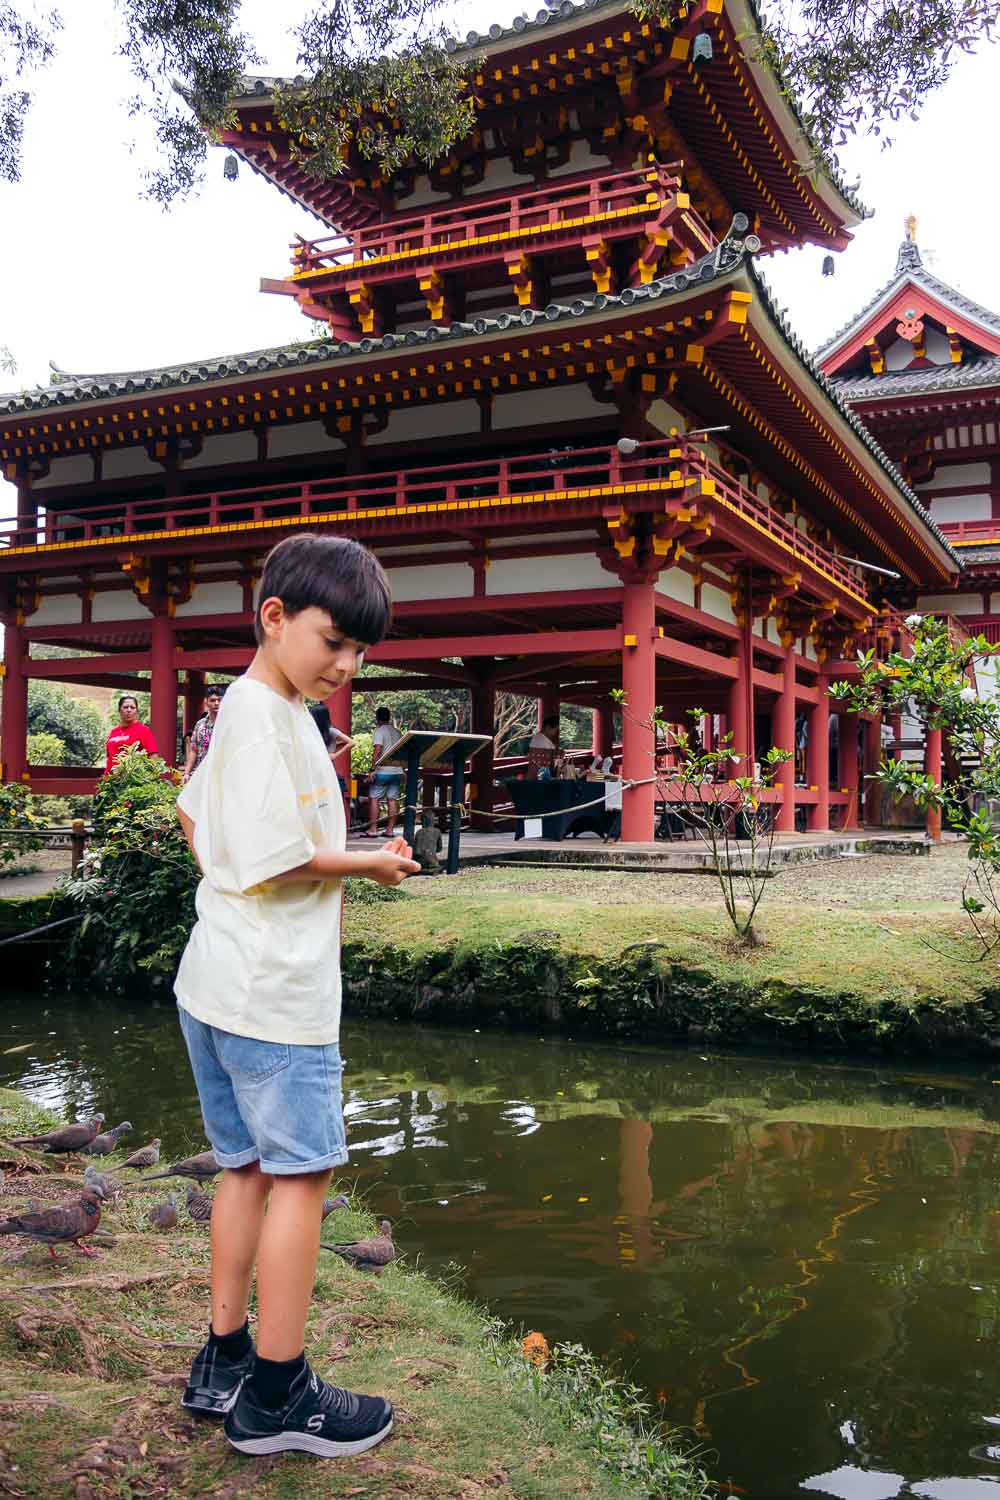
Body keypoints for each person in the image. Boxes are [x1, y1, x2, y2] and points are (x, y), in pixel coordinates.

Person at [173, 533, 419, 1460]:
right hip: (275, 997)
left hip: (217, 978)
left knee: (242, 1166)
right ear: (273, 619)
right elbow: (278, 860)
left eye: (361, 652)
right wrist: (375, 863)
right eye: (334, 643)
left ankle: (225, 1356)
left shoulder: (251, 708)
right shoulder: (263, 717)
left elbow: (194, 813)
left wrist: (227, 880)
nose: (347, 666)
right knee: (301, 1180)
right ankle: (278, 1394)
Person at [367, 705, 403, 838]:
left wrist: (372, 769)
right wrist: (402, 769)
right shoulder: (397, 732)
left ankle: (373, 829)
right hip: (397, 771)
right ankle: (390, 830)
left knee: (374, 798)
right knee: (392, 799)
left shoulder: (379, 731)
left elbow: (377, 750)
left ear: (377, 718)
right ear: (389, 717)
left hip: (383, 771)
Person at [104, 695, 158, 775]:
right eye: (125, 707)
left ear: (136, 711)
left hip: (132, 781)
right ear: (119, 710)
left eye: (132, 707)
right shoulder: (113, 732)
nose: (129, 710)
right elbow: (109, 758)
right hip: (110, 780)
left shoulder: (143, 730)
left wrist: (149, 777)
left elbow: (153, 757)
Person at [183, 684, 226, 782]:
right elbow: (194, 750)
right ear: (206, 702)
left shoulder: (228, 724)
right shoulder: (200, 724)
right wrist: (187, 773)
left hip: (222, 774)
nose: (216, 703)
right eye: (213, 700)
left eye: (219, 700)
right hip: (202, 774)